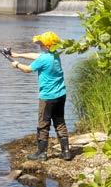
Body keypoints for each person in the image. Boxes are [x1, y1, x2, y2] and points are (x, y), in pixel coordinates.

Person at [4, 31, 71, 161]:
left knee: (43, 124)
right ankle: (66, 152)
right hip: (61, 95)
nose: (39, 45)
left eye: (41, 44)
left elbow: (28, 69)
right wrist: (17, 54)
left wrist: (16, 64)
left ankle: (41, 154)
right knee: (60, 122)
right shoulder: (55, 55)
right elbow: (37, 56)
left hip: (47, 98)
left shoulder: (44, 59)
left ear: (47, 46)